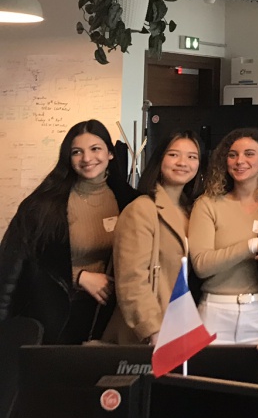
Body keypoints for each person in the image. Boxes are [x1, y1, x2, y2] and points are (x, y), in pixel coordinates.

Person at [0, 120, 138, 343]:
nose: (86, 158)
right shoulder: (42, 206)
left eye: (95, 149)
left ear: (110, 154)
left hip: (107, 318)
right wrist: (79, 277)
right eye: (77, 152)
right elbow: (17, 266)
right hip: (55, 318)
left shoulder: (130, 202)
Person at [189, 128, 258, 344]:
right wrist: (253, 245)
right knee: (204, 368)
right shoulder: (207, 205)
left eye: (249, 154)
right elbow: (201, 265)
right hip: (214, 311)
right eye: (233, 155)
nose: (240, 161)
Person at [107, 130, 205, 344]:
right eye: (173, 154)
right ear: (160, 159)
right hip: (152, 331)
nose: (183, 162)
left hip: (184, 324)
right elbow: (132, 279)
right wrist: (152, 329)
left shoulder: (193, 211)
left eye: (192, 157)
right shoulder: (142, 209)